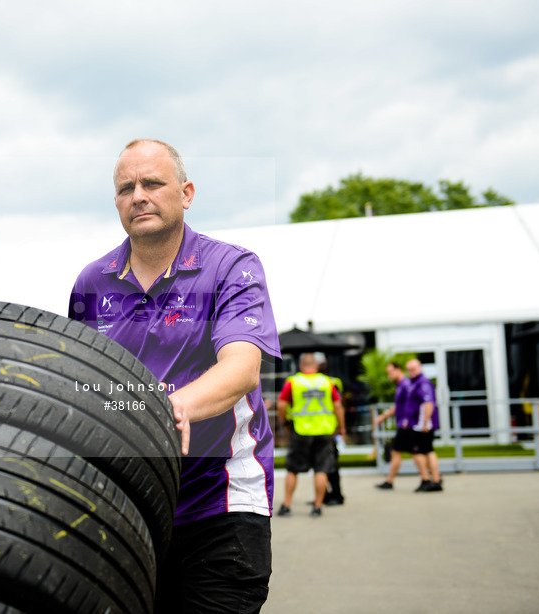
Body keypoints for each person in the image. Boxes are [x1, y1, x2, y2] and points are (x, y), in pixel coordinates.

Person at [68, 139, 280, 613]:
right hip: (129, 509)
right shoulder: (91, 282)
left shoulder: (232, 267)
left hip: (220, 504)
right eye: (126, 188)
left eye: (152, 183)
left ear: (185, 193)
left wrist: (170, 409)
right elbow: (86, 385)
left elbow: (242, 369)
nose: (138, 195)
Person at [275, 352, 345, 517]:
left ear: (301, 366)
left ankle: (286, 505)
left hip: (301, 431)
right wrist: (342, 427)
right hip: (324, 430)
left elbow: (281, 405)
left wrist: (285, 422)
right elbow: (338, 406)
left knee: (293, 469)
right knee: (321, 469)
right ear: (316, 366)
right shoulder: (327, 382)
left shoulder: (293, 382)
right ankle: (317, 507)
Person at [404, 358, 443, 492]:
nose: (411, 372)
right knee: (426, 450)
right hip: (417, 424)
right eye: (409, 369)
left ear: (420, 368)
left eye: (413, 369)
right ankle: (433, 479)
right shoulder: (414, 383)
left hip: (422, 425)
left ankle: (429, 479)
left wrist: (425, 422)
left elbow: (428, 403)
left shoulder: (423, 383)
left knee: (421, 451)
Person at [373, 361, 411, 489]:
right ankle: (431, 478)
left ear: (398, 369)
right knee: (417, 452)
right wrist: (384, 416)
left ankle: (430, 478)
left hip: (407, 424)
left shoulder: (405, 385)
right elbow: (398, 406)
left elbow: (411, 405)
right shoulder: (401, 385)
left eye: (390, 372)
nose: (389, 375)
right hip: (404, 423)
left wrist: (406, 420)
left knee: (418, 452)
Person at [318, 356, 345, 505]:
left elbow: (338, 406)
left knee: (331, 465)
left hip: (329, 428)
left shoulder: (328, 384)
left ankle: (336, 494)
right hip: (329, 428)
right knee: (326, 464)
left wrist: (340, 427)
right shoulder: (333, 383)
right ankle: (325, 494)